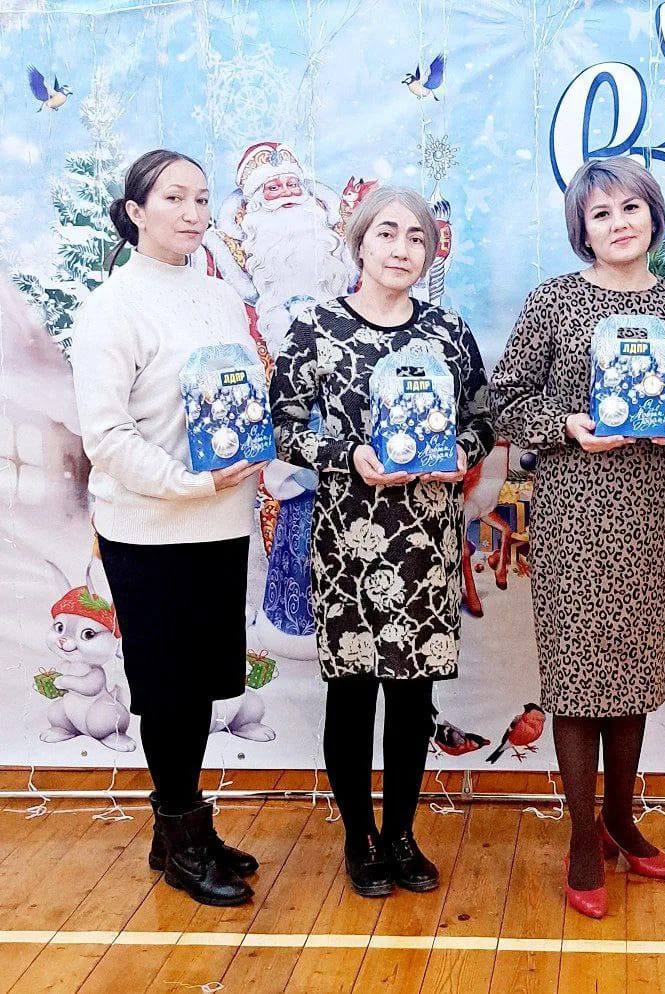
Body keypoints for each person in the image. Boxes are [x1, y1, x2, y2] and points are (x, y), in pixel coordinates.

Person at [490, 156, 665, 919]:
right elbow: (502, 402)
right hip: (574, 515)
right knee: (577, 680)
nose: (619, 223)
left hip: (649, 516)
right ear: (581, 230)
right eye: (601, 213)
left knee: (633, 676)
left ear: (654, 214)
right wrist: (566, 424)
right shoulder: (554, 302)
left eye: (631, 207)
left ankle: (622, 819)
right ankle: (584, 838)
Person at [268, 185, 494, 898]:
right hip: (347, 540)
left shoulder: (448, 332)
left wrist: (461, 452)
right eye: (387, 234)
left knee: (412, 696)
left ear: (430, 251)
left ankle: (400, 834)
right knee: (352, 693)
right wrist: (347, 455)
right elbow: (281, 427)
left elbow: (482, 417)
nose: (402, 249)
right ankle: (358, 837)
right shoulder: (316, 328)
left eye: (417, 237)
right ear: (359, 241)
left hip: (426, 541)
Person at [71, 149, 268, 907]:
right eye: (174, 198)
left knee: (205, 684)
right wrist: (189, 482)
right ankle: (182, 838)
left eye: (202, 199)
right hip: (151, 527)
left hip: (220, 519)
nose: (193, 213)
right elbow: (106, 436)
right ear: (135, 212)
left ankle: (181, 830)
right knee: (170, 690)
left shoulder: (219, 296)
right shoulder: (111, 308)